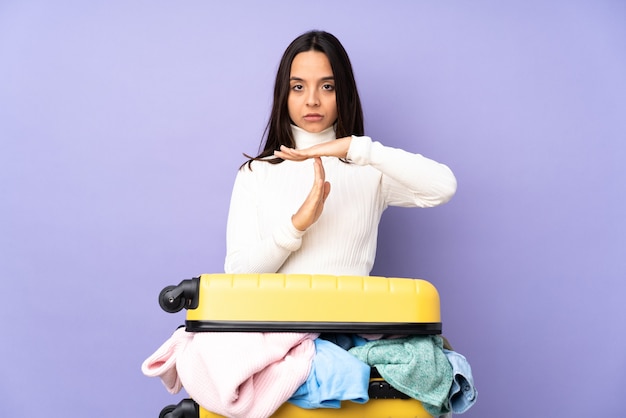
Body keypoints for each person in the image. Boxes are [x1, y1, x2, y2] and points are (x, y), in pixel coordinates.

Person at [224, 30, 456, 276]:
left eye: (327, 86)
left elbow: (443, 187)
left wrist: (354, 147)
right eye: (298, 86)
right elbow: (237, 274)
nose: (312, 100)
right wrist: (295, 227)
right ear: (284, 94)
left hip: (351, 314)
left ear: (343, 92)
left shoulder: (369, 168)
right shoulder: (256, 173)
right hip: (274, 315)